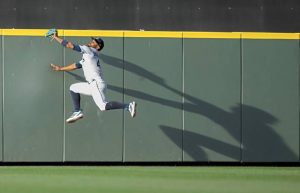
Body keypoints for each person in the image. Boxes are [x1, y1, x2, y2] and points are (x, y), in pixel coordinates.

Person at [49, 32, 136, 123]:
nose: (92, 42)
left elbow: (70, 45)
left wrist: (56, 37)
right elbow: (76, 65)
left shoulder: (89, 50)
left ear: (98, 47)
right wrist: (61, 68)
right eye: (92, 40)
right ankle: (77, 111)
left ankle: (128, 106)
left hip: (96, 84)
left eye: (94, 42)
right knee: (73, 88)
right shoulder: (88, 56)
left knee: (102, 106)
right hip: (93, 85)